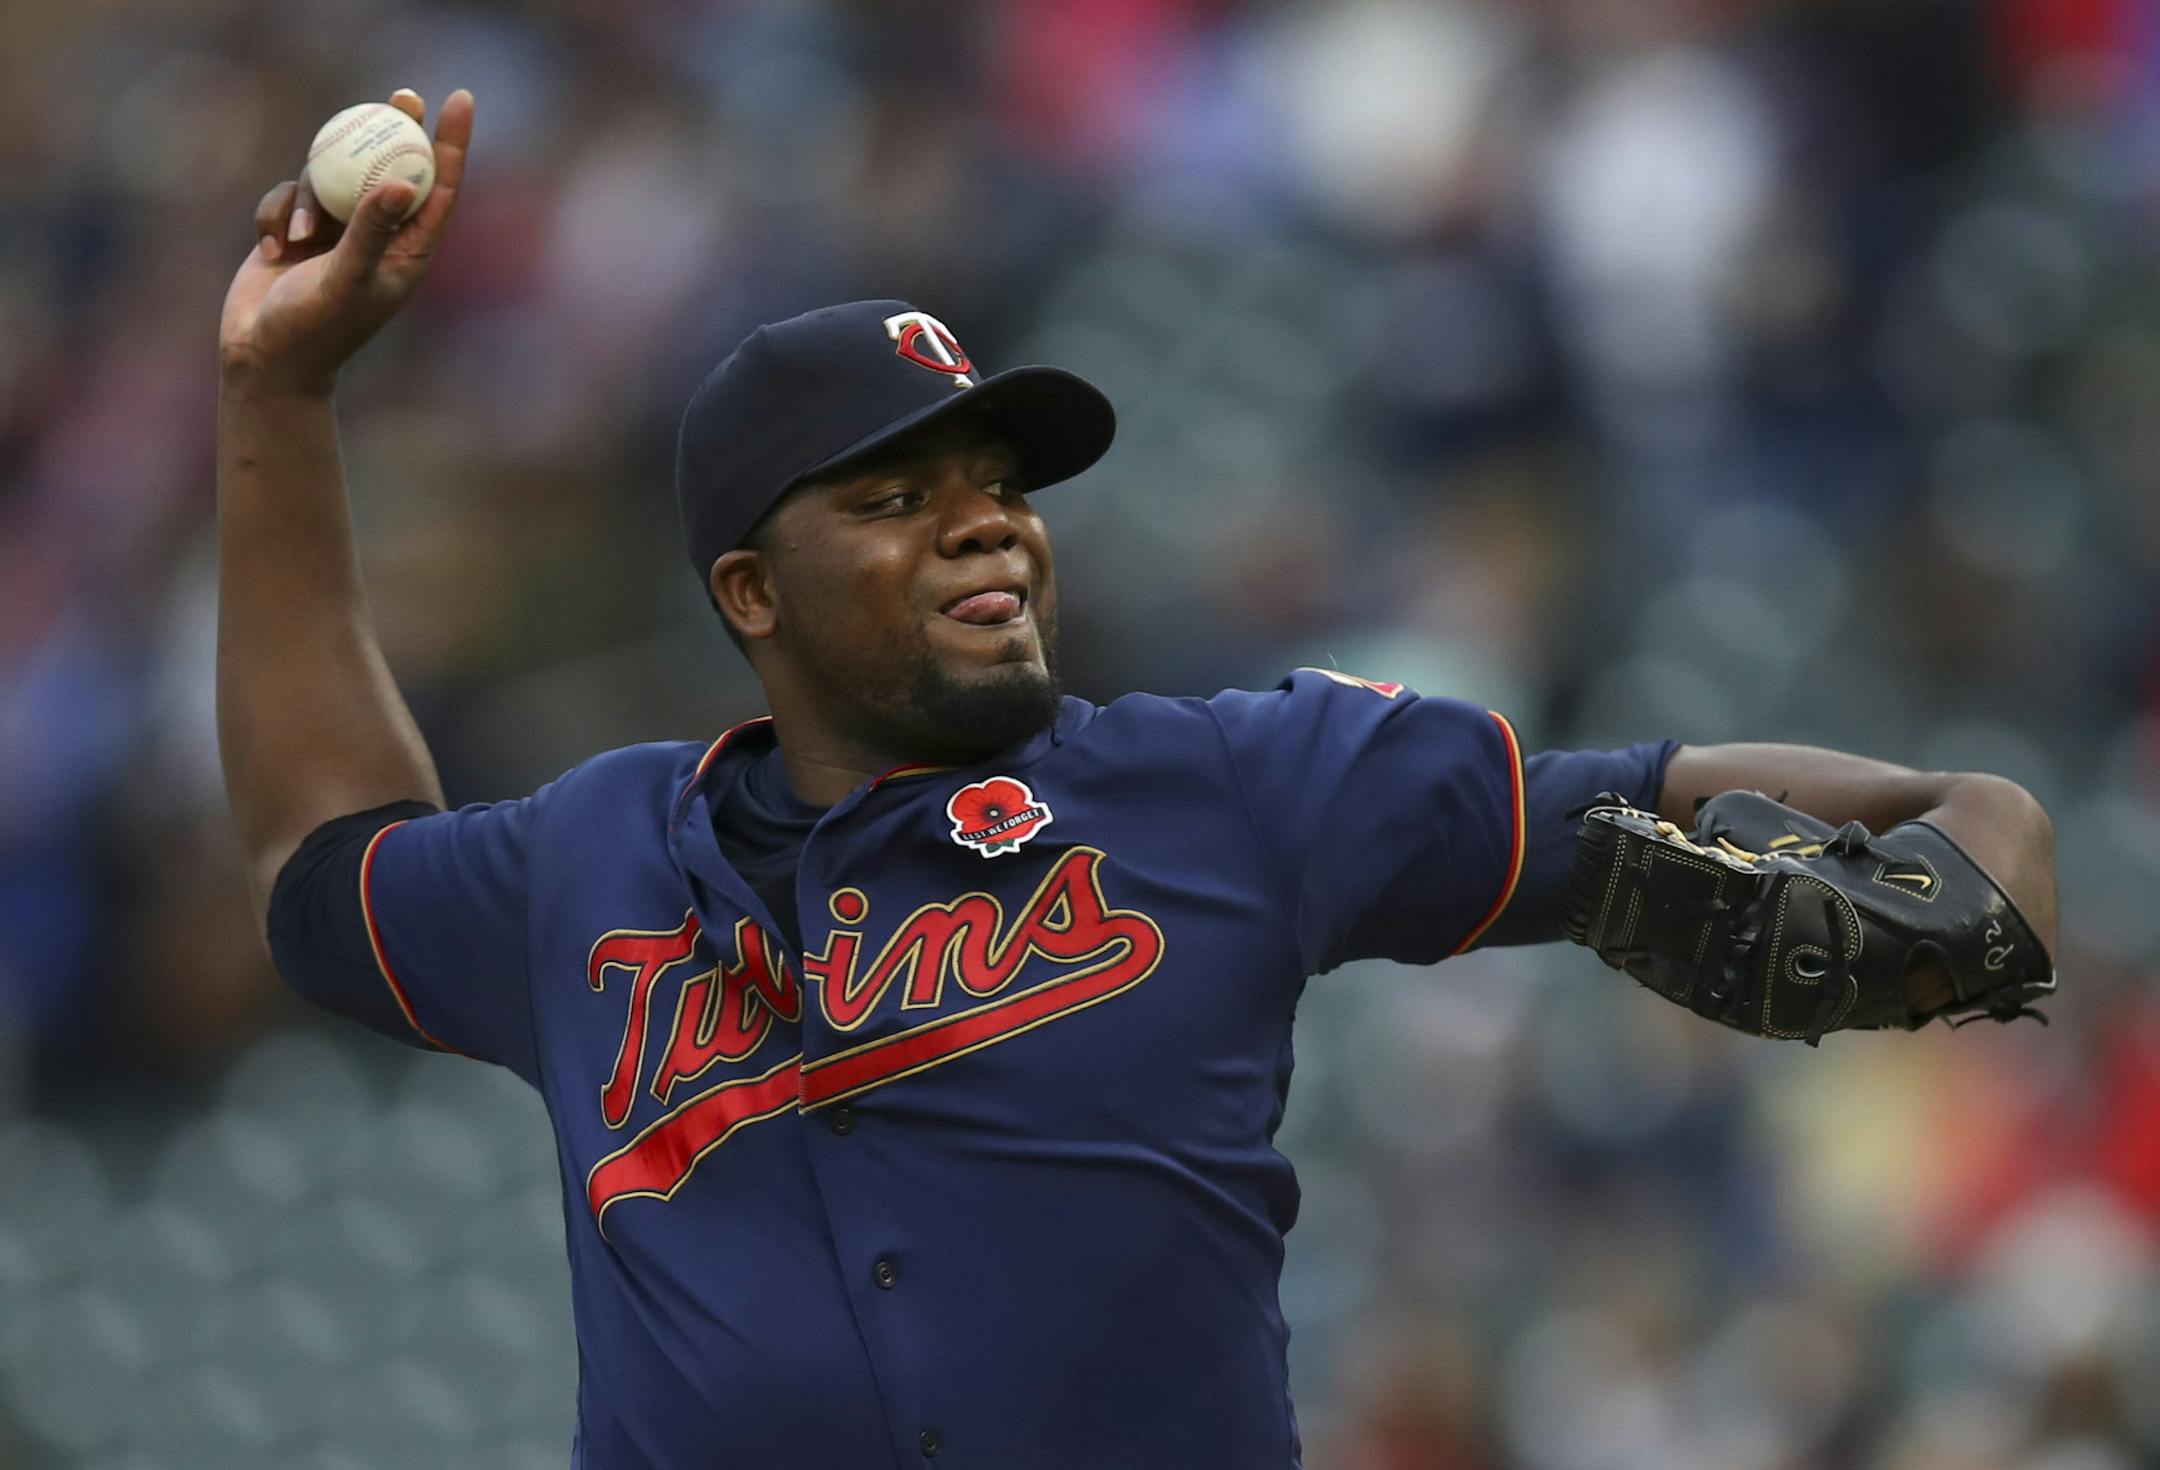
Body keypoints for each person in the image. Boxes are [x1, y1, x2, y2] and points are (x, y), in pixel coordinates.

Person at [217, 90, 2059, 1468]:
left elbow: (1646, 792)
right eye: (897, 497)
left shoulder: (1233, 786)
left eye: (1001, 484)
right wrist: (280, 406)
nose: (987, 528)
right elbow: (320, 859)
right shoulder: (592, 858)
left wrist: (1974, 817)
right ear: (749, 594)